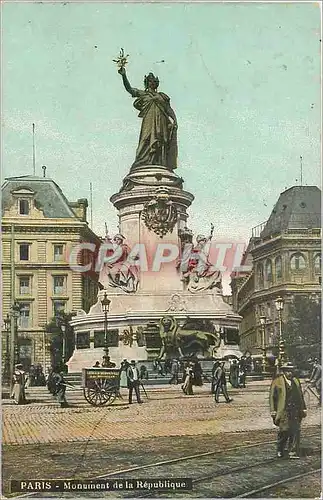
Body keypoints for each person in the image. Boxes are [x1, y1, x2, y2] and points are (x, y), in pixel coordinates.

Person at [118, 66, 178, 171]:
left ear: (156, 83)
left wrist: (175, 119)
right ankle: (142, 161)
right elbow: (130, 89)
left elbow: (168, 109)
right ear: (147, 83)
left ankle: (159, 162)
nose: (152, 83)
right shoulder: (144, 94)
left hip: (162, 122)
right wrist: (124, 75)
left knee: (161, 141)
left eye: (153, 81)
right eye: (150, 81)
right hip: (149, 121)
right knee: (146, 139)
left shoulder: (162, 96)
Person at [269, 361, 307, 459]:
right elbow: (272, 397)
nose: (290, 373)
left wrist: (303, 408)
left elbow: (300, 396)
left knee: (295, 430)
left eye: (291, 371)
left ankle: (293, 451)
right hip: (283, 410)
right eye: (288, 371)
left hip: (295, 409)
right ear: (284, 371)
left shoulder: (296, 381)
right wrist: (273, 410)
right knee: (284, 430)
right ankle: (280, 449)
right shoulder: (277, 381)